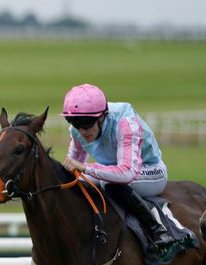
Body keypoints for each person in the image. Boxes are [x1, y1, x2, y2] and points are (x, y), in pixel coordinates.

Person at [59, 83, 171, 252]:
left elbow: (127, 172)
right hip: (113, 172)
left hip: (149, 171)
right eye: (74, 122)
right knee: (79, 182)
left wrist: (85, 168)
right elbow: (72, 168)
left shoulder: (125, 123)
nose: (81, 130)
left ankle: (158, 230)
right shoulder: (77, 130)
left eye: (86, 123)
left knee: (109, 184)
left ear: (101, 117)